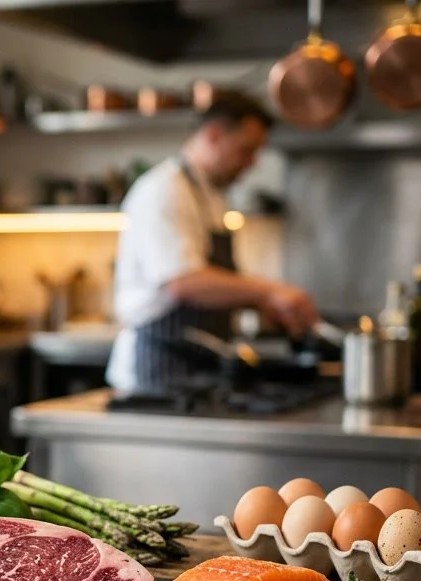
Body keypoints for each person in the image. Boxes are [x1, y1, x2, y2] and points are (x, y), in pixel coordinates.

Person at [107, 91, 319, 393]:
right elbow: (183, 281)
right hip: (157, 368)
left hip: (198, 365)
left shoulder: (211, 195)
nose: (252, 163)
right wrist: (269, 291)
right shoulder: (165, 190)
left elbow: (215, 280)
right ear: (215, 135)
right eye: (246, 150)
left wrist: (263, 302)